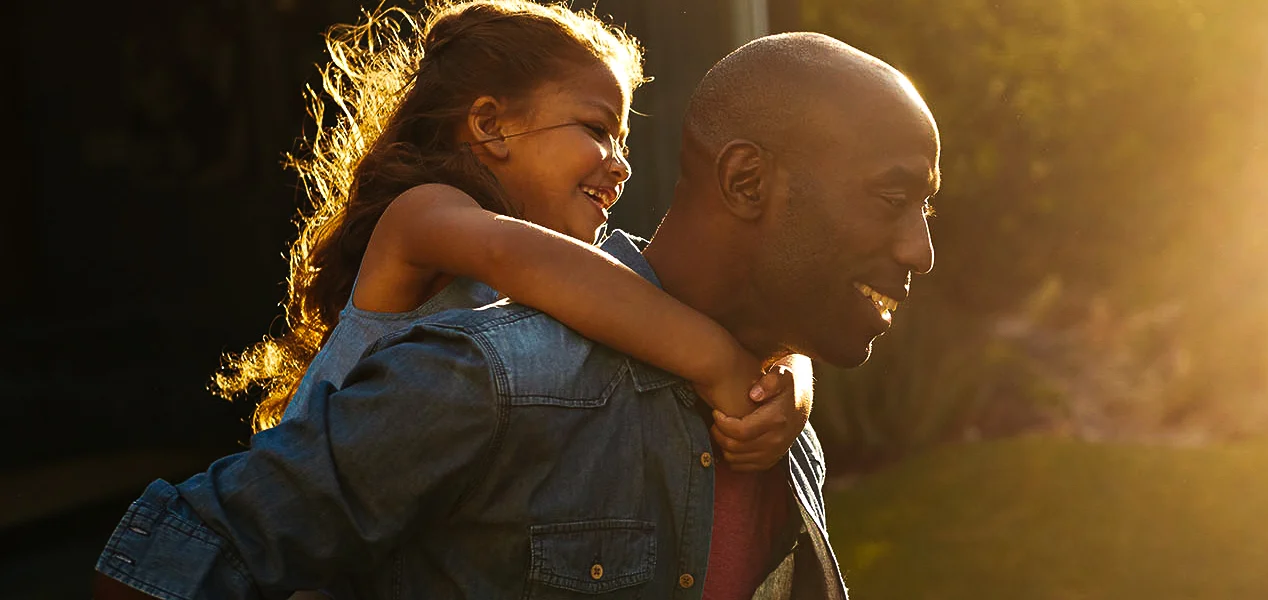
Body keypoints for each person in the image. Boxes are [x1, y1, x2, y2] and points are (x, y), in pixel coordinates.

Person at [93, 22, 939, 600]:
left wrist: (783, 374)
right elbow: (167, 562)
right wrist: (723, 362)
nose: (920, 252)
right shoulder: (493, 365)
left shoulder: (780, 432)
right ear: (746, 181)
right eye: (893, 199)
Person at [210, 0, 806, 473]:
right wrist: (722, 364)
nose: (621, 165)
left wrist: (790, 380)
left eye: (623, 141)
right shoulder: (424, 218)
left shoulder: (562, 272)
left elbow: (664, 299)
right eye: (598, 129)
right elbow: (521, 256)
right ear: (491, 126)